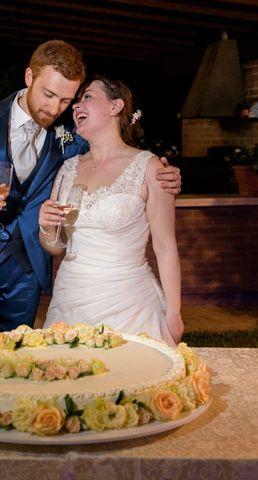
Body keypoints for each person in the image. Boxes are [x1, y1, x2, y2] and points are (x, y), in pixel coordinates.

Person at [0, 40, 182, 342]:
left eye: (65, 100)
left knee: (17, 367)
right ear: (29, 77)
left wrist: (167, 176)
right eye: (49, 94)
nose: (54, 108)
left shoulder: (67, 142)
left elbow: (113, 158)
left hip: (26, 274)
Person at [39, 75, 183, 345]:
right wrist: (46, 227)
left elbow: (165, 247)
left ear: (115, 107)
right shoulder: (68, 170)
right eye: (76, 101)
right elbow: (55, 247)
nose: (76, 106)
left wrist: (174, 312)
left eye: (87, 97)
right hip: (71, 299)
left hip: (130, 304)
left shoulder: (151, 168)